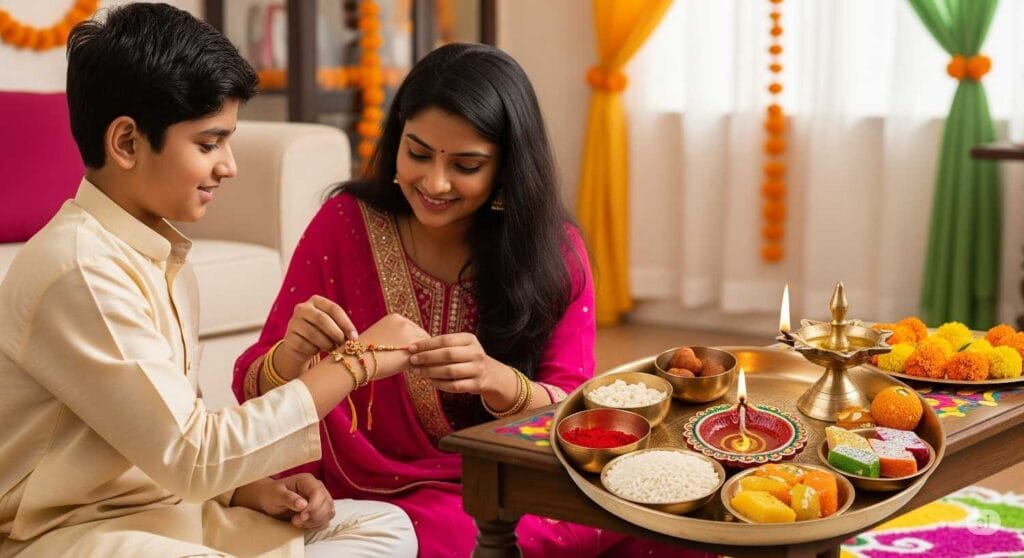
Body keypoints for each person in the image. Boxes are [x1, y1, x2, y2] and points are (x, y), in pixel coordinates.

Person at [234, 43, 712, 557]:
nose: (434, 182)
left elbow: (579, 413)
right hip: (376, 486)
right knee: (464, 538)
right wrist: (291, 353)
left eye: (465, 165)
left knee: (671, 520)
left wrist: (499, 382)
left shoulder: (554, 252)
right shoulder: (345, 223)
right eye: (417, 153)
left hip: (514, 478)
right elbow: (253, 389)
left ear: (506, 167)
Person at [0, 4, 419, 556]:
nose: (229, 165)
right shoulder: (81, 270)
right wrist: (356, 361)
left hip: (176, 514)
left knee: (386, 526)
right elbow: (195, 454)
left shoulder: (159, 252)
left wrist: (246, 491)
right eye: (207, 143)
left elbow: (176, 436)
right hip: (77, 536)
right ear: (126, 143)